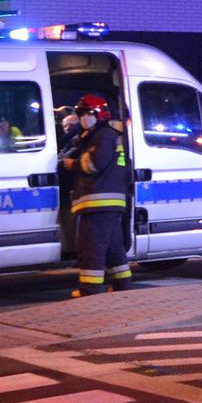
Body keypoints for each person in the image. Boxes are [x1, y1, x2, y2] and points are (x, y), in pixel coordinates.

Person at [60, 93, 133, 297]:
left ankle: (89, 289)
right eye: (81, 114)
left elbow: (94, 163)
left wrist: (71, 164)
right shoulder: (102, 134)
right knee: (112, 246)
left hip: (99, 201)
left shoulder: (103, 135)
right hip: (106, 201)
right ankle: (122, 283)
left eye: (88, 113)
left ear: (99, 114)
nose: (84, 118)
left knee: (90, 246)